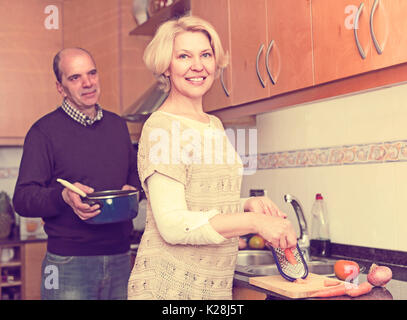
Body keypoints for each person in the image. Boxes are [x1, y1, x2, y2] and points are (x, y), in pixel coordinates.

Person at [127, 16, 297, 300]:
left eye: (205, 54)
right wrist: (254, 222)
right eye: (184, 56)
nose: (198, 65)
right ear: (166, 66)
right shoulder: (161, 127)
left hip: (213, 286)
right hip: (169, 288)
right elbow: (173, 224)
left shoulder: (213, 125)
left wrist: (245, 205)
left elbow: (198, 200)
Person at [13, 47, 141, 300]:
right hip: (67, 262)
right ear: (60, 88)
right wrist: (63, 196)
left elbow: (134, 176)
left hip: (120, 258)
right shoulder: (43, 132)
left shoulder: (117, 126)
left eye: (92, 73)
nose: (88, 83)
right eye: (75, 77)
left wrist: (135, 190)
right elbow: (23, 198)